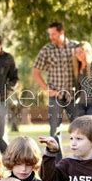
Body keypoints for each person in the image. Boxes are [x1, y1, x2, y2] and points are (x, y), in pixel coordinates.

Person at [33, 22, 79, 159]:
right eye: (50, 34)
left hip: (73, 95)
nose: (51, 37)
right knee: (54, 130)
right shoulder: (47, 49)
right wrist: (46, 89)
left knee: (79, 128)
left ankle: (80, 159)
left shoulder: (75, 47)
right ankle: (58, 161)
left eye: (53, 34)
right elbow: (35, 72)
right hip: (55, 96)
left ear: (61, 32)